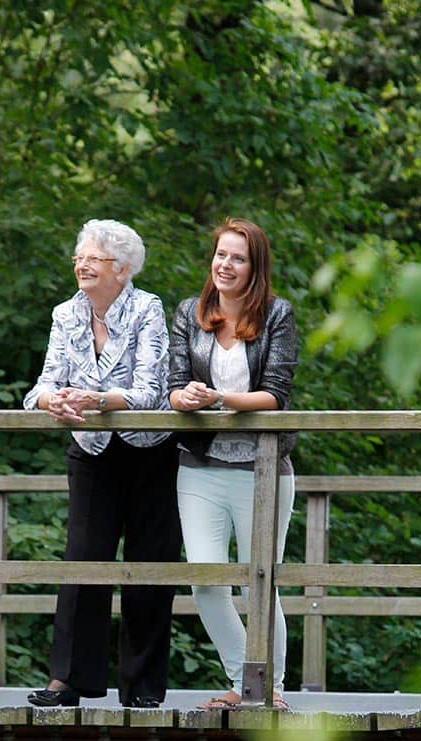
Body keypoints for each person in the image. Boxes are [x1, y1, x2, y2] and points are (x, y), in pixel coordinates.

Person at [24, 218, 180, 708]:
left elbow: (151, 390)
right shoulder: (65, 314)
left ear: (124, 267)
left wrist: (95, 397)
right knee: (82, 560)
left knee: (150, 566)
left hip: (147, 448)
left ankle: (143, 688)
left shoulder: (147, 309)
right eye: (79, 257)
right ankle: (69, 681)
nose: (82, 264)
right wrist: (55, 404)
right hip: (90, 449)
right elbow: (42, 385)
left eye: (94, 258)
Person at [169, 217, 297, 710]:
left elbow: (276, 395)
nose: (225, 265)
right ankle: (245, 682)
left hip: (263, 470)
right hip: (200, 466)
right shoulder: (191, 312)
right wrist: (186, 397)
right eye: (220, 255)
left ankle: (273, 692)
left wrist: (222, 397)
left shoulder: (277, 315)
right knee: (206, 581)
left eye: (237, 258)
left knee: (262, 583)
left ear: (254, 266)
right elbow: (174, 384)